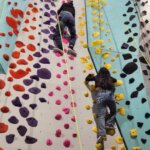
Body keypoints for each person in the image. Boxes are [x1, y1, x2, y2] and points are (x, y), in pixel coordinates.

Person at [85, 67, 117, 144]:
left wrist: (89, 76)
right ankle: (109, 124)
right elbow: (115, 81)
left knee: (101, 115)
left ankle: (101, 134)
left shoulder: (97, 77)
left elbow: (87, 80)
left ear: (99, 72)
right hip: (110, 95)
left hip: (100, 95)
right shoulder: (110, 78)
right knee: (113, 111)